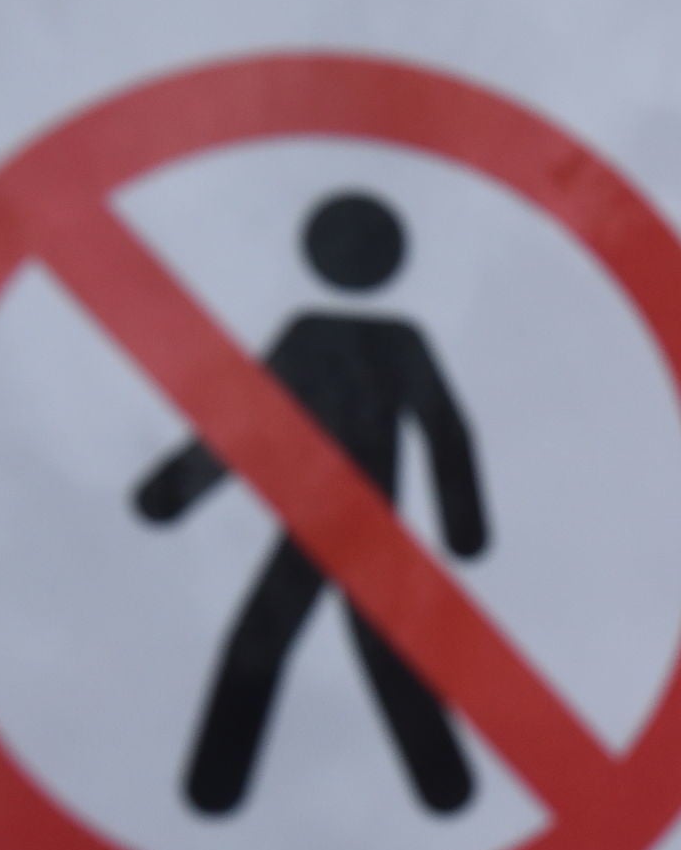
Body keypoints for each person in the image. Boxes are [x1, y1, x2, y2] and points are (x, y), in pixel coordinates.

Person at [134, 191, 487, 815]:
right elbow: (445, 431)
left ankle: (218, 786)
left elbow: (244, 426)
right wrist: (464, 527)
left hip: (334, 525)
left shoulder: (321, 336)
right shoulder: (392, 340)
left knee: (273, 641)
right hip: (343, 527)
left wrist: (173, 492)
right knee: (360, 647)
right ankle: (446, 789)